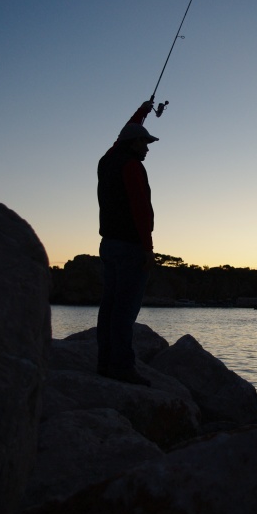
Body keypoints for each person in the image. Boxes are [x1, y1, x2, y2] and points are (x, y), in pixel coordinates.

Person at [96, 100, 158, 386]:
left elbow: (121, 136)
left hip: (108, 245)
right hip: (131, 247)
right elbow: (140, 208)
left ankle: (105, 363)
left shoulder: (108, 159)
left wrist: (142, 111)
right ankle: (122, 366)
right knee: (125, 310)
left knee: (109, 307)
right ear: (134, 144)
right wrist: (148, 247)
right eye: (144, 143)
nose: (147, 148)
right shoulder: (132, 166)